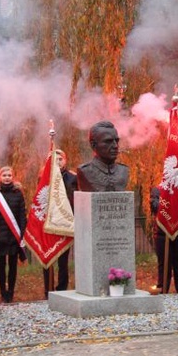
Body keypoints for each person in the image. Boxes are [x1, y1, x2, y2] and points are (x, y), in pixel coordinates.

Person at [0, 166, 27, 303]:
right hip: (0, 236)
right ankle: (3, 292)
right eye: (4, 175)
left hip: (14, 236)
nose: (7, 177)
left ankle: (11, 292)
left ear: (13, 177)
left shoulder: (18, 193)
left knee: (13, 266)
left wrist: (23, 236)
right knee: (1, 266)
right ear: (0, 177)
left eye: (9, 175)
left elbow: (22, 217)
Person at [43, 149, 77, 297]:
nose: (58, 162)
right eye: (54, 160)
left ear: (65, 160)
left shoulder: (73, 178)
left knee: (63, 261)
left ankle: (62, 289)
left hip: (66, 222)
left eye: (60, 159)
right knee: (48, 259)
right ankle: (48, 290)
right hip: (50, 223)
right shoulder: (44, 178)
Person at [150, 187, 178, 293]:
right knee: (164, 263)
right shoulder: (157, 190)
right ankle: (163, 288)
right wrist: (167, 204)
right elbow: (154, 207)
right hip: (162, 233)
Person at [76, 121, 129, 192]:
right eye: (108, 141)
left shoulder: (123, 170)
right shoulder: (85, 171)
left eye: (116, 141)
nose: (115, 146)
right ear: (93, 145)